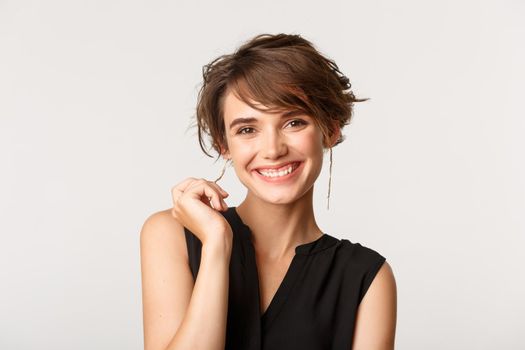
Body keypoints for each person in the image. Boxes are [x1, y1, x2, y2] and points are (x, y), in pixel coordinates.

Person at [140, 33, 397, 350]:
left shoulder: (367, 278)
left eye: (294, 122)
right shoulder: (172, 234)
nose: (273, 149)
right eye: (247, 129)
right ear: (224, 145)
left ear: (330, 130)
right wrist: (217, 247)